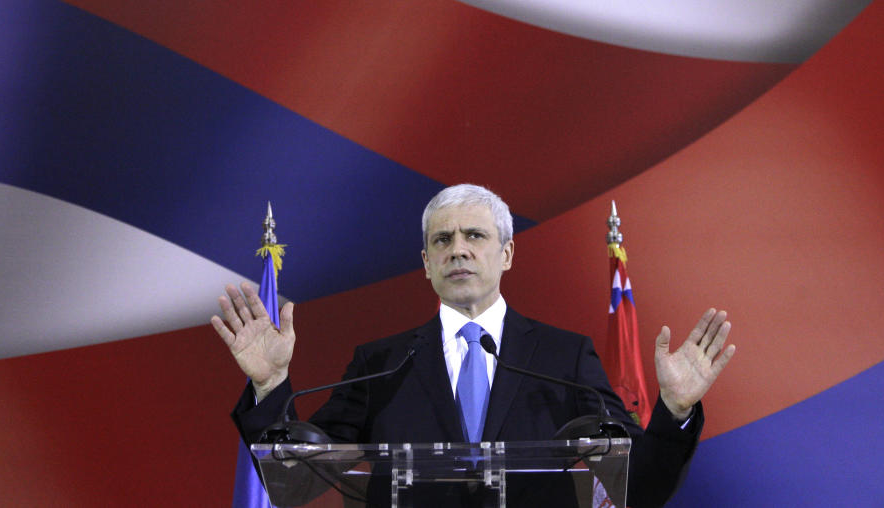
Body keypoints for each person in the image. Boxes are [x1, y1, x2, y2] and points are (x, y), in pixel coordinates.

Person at [213, 184, 735, 507]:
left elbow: (637, 489)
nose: (457, 250)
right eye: (442, 240)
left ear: (506, 254)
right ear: (425, 263)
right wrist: (269, 385)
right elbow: (297, 481)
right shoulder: (381, 363)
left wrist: (674, 410)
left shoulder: (562, 357)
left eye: (474, 237)